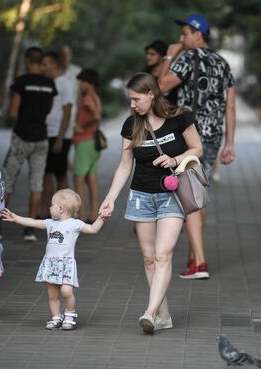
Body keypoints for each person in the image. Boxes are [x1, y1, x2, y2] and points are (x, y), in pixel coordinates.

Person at [99, 72, 202, 333]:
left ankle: (149, 311)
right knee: (148, 258)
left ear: (150, 95)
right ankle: (163, 315)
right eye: (129, 100)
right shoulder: (130, 125)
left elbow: (197, 149)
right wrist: (110, 199)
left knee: (162, 254)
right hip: (141, 195)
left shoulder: (180, 117)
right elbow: (124, 166)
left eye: (136, 99)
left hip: (173, 193)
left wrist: (175, 160)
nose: (132, 105)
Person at [158, 13, 236, 279]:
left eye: (185, 34)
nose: (181, 39)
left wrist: (169, 56)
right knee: (198, 198)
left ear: (198, 34)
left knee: (190, 199)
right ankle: (194, 257)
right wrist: (230, 143)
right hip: (212, 138)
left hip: (189, 137)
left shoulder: (188, 58)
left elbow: (159, 85)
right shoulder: (223, 63)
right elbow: (231, 106)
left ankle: (199, 262)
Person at [2, 189, 106, 330]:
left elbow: (93, 229)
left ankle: (70, 314)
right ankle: (56, 317)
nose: (49, 208)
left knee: (66, 291)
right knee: (52, 294)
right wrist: (16, 218)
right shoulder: (49, 223)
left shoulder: (75, 224)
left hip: (66, 264)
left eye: (52, 205)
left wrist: (101, 218)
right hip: (50, 264)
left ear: (61, 208)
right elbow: (33, 222)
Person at [0, 47, 57, 242]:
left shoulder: (21, 82)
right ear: (41, 62)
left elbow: (13, 111)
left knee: (8, 179)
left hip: (22, 136)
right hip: (41, 137)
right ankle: (30, 230)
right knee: (36, 182)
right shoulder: (50, 84)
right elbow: (48, 109)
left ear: (26, 60)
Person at [40, 51, 73, 218]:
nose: (42, 67)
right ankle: (47, 212)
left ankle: (66, 212)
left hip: (60, 136)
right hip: (46, 133)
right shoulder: (47, 83)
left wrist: (60, 137)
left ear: (54, 64)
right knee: (46, 174)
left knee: (60, 175)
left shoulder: (64, 83)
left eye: (45, 64)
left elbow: (67, 111)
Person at [72, 68, 102, 223]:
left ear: (89, 82)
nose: (80, 85)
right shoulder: (95, 97)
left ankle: (82, 216)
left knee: (78, 179)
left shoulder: (88, 98)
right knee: (91, 179)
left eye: (82, 81)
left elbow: (96, 116)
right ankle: (94, 215)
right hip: (93, 143)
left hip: (84, 142)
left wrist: (82, 126)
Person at [61, 46, 82, 148]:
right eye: (63, 55)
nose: (65, 58)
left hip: (71, 112)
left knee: (67, 144)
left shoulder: (76, 72)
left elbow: (80, 95)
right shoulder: (55, 71)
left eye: (67, 55)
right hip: (55, 113)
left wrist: (79, 117)